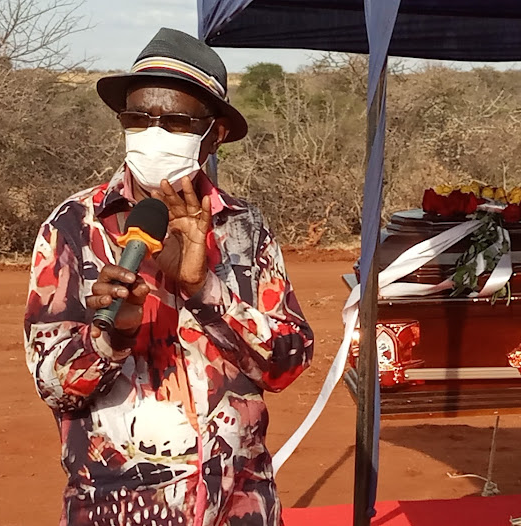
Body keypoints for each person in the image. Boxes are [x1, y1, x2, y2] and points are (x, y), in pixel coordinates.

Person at [24, 28, 314, 526]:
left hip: (239, 503)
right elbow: (55, 386)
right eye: (138, 118)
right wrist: (112, 336)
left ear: (214, 133)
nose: (153, 133)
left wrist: (204, 289)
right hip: (118, 508)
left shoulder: (244, 228)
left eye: (176, 121)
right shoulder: (73, 226)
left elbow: (287, 363)